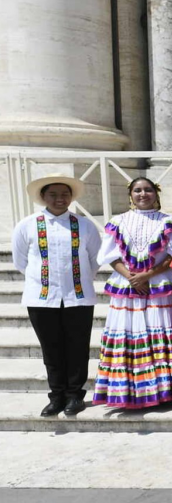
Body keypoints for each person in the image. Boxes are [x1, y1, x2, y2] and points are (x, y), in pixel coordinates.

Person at [12, 176, 102, 416]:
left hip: (78, 297)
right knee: (50, 349)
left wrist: (76, 279)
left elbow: (94, 260)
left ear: (71, 197)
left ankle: (75, 395)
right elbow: (20, 261)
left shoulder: (85, 225)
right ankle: (56, 395)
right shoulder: (27, 225)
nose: (59, 199)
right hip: (41, 298)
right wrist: (45, 281)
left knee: (78, 347)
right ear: (43, 197)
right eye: (53, 194)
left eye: (65, 194)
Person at [94, 178, 172, 410]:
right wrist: (132, 277)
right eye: (138, 190)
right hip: (127, 285)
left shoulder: (168, 221)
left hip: (159, 285)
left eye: (148, 190)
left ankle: (166, 391)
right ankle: (131, 393)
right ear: (131, 194)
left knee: (161, 332)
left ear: (156, 193)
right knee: (131, 334)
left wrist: (148, 275)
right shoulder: (118, 221)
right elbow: (110, 256)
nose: (143, 194)